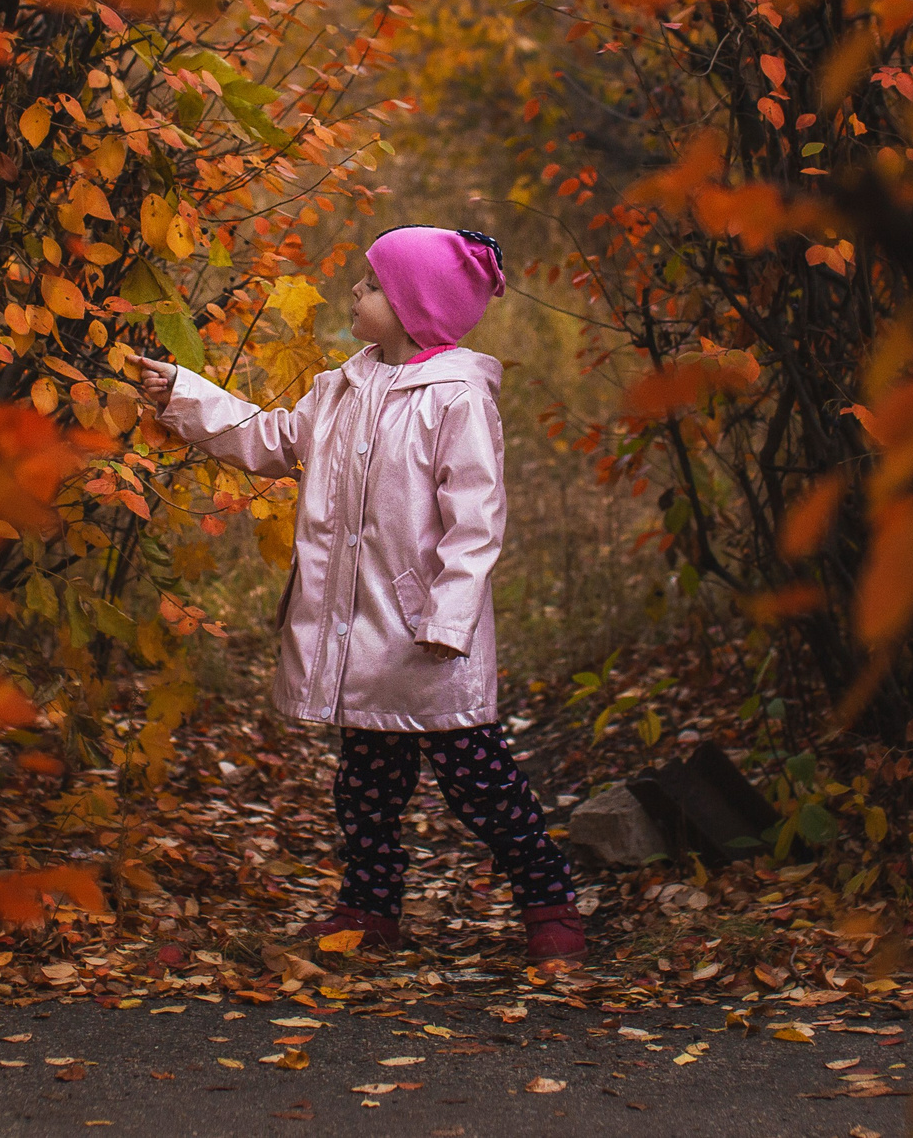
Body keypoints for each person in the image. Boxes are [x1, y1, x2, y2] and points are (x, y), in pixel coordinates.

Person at [130, 225, 586, 967]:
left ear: (415, 308)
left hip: (429, 636)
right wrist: (186, 393)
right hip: (359, 631)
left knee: (480, 781)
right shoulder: (342, 386)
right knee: (367, 786)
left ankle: (549, 901)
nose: (356, 292)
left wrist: (448, 617)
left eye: (372, 285)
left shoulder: (458, 400)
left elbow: (475, 520)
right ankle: (369, 908)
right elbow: (271, 438)